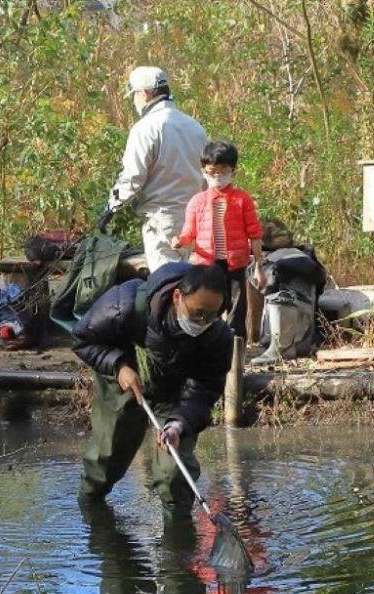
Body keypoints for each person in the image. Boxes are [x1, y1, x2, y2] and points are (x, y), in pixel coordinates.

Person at [72, 262, 232, 517]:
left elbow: (205, 389)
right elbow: (82, 339)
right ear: (178, 297)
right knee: (105, 462)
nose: (203, 322)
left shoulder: (218, 337)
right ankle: (93, 517)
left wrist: (178, 425)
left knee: (174, 473)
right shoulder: (124, 305)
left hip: (176, 396)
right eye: (197, 313)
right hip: (124, 380)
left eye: (212, 315)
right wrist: (118, 366)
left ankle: (178, 542)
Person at [98, 66, 208, 271]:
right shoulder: (195, 126)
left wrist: (111, 207)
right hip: (194, 219)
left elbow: (132, 178)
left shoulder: (146, 128)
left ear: (146, 93)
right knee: (188, 282)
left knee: (166, 283)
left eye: (134, 96)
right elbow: (206, 177)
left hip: (162, 220)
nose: (134, 102)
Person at [174, 141, 265, 339]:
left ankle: (235, 349)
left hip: (236, 263)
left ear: (233, 172)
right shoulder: (197, 202)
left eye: (223, 171)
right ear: (204, 172)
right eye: (212, 171)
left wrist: (259, 266)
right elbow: (189, 232)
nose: (217, 176)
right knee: (208, 306)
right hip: (207, 264)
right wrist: (180, 241)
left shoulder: (243, 200)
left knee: (236, 309)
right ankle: (209, 344)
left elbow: (255, 235)